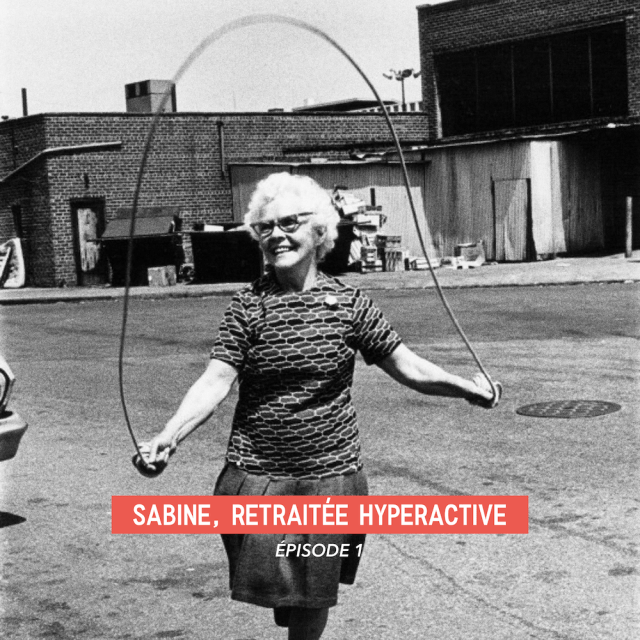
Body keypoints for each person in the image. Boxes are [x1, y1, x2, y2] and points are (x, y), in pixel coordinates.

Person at [138, 172, 500, 640]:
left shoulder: (349, 304)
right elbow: (215, 380)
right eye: (265, 227)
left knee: (311, 595)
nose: (276, 235)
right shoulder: (247, 307)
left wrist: (468, 388)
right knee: (283, 596)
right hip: (257, 477)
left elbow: (406, 365)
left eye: (289, 223)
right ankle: (291, 601)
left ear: (320, 230)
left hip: (331, 477)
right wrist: (169, 436)